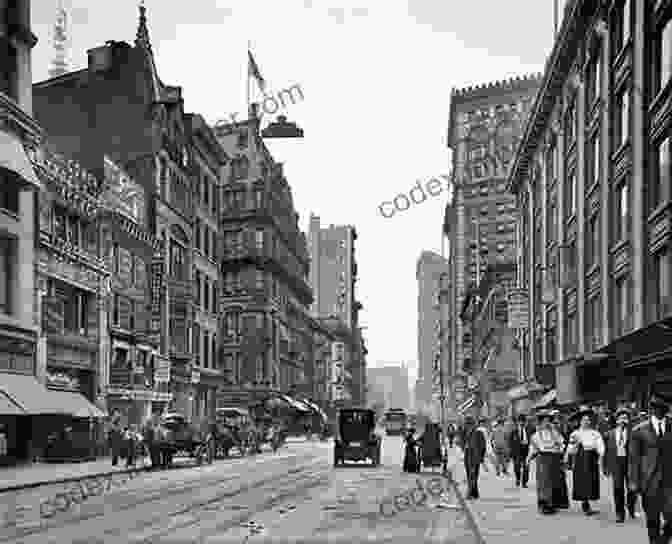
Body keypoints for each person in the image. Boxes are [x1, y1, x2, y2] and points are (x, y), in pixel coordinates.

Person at [628, 393, 672, 544]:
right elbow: (634, 459)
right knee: (652, 519)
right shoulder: (639, 431)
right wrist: (633, 482)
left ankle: (664, 538)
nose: (660, 412)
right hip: (649, 482)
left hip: (669, 482)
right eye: (657, 408)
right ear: (652, 409)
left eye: (664, 409)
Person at [565, 405, 604, 516]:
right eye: (584, 420)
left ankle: (588, 502)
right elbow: (571, 449)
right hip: (580, 459)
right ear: (580, 421)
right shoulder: (575, 434)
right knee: (582, 481)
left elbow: (600, 446)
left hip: (591, 458)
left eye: (588, 420)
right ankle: (585, 504)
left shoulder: (595, 433)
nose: (587, 422)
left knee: (591, 481)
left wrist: (601, 456)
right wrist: (570, 454)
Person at [526, 409, 565, 515]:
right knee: (544, 482)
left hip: (554, 458)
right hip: (542, 459)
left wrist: (560, 450)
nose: (546, 423)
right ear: (540, 422)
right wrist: (528, 459)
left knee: (553, 481)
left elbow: (562, 443)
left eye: (548, 420)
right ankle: (544, 505)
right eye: (544, 421)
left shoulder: (555, 433)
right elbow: (532, 448)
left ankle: (552, 504)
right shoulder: (536, 435)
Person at [603, 405, 636, 523]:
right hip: (616, 463)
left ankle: (631, 506)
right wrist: (605, 467)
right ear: (616, 420)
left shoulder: (634, 433)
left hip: (630, 463)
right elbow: (606, 452)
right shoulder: (609, 434)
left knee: (632, 488)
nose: (623, 420)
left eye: (625, 418)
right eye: (621, 418)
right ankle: (619, 513)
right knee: (617, 488)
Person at [462, 415, 487, 499]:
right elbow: (462, 443)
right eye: (466, 424)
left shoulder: (478, 433)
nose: (467, 426)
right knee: (471, 475)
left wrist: (481, 458)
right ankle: (475, 493)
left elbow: (483, 446)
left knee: (472, 475)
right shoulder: (465, 433)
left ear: (472, 424)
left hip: (475, 457)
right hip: (468, 456)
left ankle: (469, 493)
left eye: (468, 424)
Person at [550, 410, 570, 510]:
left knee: (561, 478)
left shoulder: (563, 427)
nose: (556, 419)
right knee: (553, 479)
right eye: (554, 417)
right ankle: (555, 501)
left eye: (558, 416)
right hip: (552, 455)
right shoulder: (550, 428)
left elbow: (566, 441)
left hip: (560, 455)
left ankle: (562, 502)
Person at [509, 414, 533, 488]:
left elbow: (533, 440)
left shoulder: (529, 430)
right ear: (518, 422)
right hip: (517, 451)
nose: (522, 423)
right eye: (520, 421)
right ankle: (518, 478)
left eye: (523, 421)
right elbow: (510, 443)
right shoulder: (514, 431)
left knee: (526, 467)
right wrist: (511, 453)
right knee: (517, 467)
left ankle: (524, 482)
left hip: (526, 450)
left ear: (525, 422)